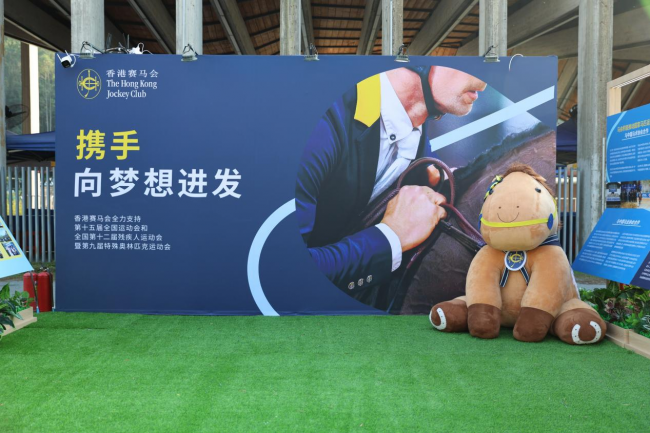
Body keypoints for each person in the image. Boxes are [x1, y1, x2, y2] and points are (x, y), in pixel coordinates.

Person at [296, 66, 487, 302]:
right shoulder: (323, 124)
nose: (484, 80)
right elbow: (290, 270)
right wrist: (391, 238)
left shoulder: (416, 130)